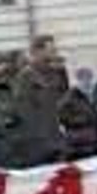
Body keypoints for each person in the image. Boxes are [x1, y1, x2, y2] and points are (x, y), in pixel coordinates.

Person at [12, 35, 70, 167]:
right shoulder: (26, 77)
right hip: (38, 147)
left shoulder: (56, 73)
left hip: (57, 142)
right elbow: (24, 113)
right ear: (38, 52)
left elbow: (63, 102)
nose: (55, 53)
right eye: (51, 50)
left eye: (55, 50)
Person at [58, 67, 97, 161]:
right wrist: (82, 119)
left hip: (91, 146)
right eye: (84, 78)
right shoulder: (68, 98)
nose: (87, 81)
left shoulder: (90, 98)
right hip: (77, 149)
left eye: (89, 78)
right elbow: (62, 118)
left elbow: (96, 119)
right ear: (78, 80)